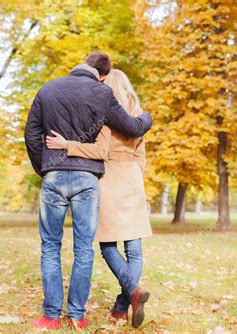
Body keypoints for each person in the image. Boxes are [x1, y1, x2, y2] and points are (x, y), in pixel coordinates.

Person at [24, 52, 152, 330]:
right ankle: (78, 315)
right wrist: (147, 118)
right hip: (88, 178)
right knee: (85, 249)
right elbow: (132, 128)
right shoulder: (101, 93)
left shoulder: (47, 89)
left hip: (55, 176)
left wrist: (44, 167)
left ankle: (50, 316)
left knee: (50, 247)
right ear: (103, 74)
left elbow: (31, 134)